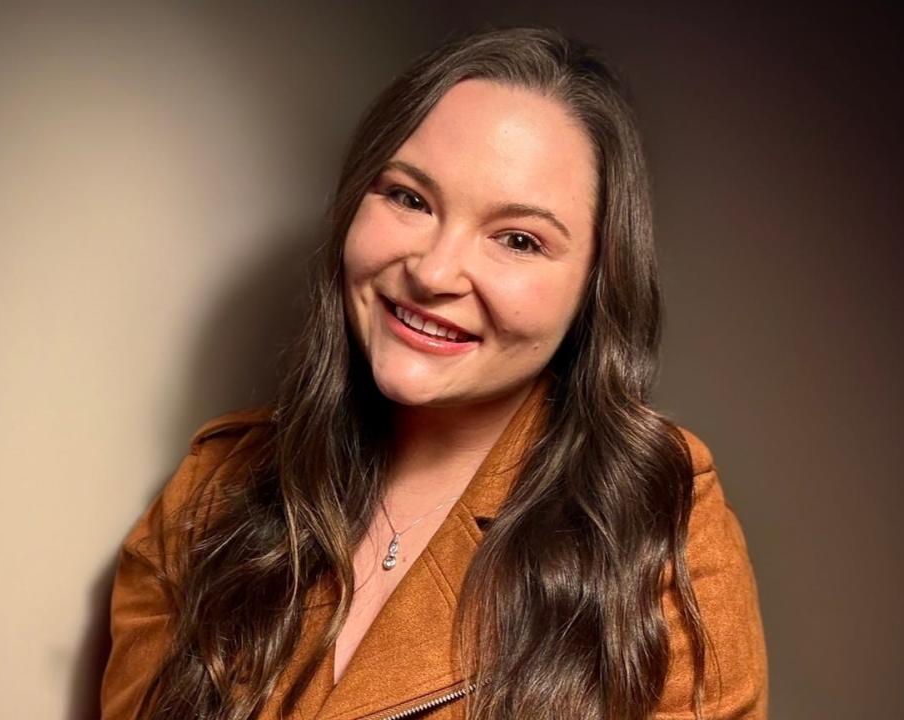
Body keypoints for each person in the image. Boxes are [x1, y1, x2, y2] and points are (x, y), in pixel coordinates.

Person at [101, 26, 767, 720]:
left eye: (519, 240)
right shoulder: (210, 495)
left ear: (595, 286)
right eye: (410, 198)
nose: (434, 271)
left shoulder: (659, 529)